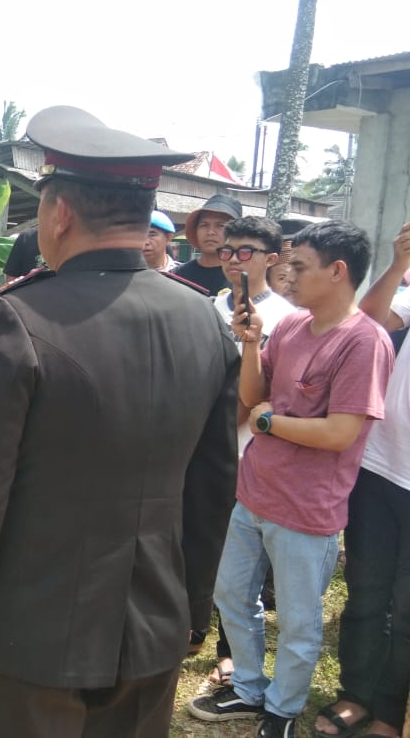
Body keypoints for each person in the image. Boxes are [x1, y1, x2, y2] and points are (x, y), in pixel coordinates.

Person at [0, 105, 240, 738]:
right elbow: (212, 487)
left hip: (29, 638)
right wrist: (190, 610)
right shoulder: (204, 318)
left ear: (59, 212)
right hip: (153, 627)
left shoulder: (20, 319)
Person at [188, 220, 394, 738]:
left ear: (337, 271)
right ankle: (250, 687)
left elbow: (340, 432)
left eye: (299, 266)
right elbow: (252, 390)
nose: (287, 274)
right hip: (254, 491)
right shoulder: (291, 327)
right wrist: (253, 344)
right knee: (232, 595)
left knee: (301, 623)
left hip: (307, 510)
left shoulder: (364, 342)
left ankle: (282, 708)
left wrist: (268, 421)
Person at [309, 222, 410, 738]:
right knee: (367, 592)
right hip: (381, 470)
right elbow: (368, 319)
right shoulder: (409, 296)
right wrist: (398, 265)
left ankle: (390, 709)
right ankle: (356, 693)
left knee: (407, 603)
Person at [199, 214, 295, 681]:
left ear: (271, 259)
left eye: (245, 253)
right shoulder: (206, 306)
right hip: (197, 441)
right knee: (197, 537)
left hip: (243, 450)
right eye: (227, 251)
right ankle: (191, 626)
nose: (233, 260)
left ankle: (229, 649)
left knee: (235, 555)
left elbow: (267, 390)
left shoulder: (287, 317)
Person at [173, 194, 242, 295]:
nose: (210, 232)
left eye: (220, 225)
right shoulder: (176, 277)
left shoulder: (244, 279)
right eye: (204, 225)